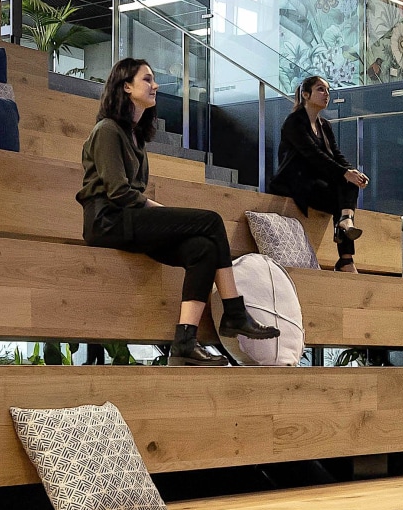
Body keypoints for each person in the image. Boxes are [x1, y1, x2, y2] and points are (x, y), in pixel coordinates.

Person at [79, 58, 278, 366]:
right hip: (107, 220)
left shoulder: (135, 135)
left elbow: (134, 195)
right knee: (209, 221)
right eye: (147, 79)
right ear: (126, 86)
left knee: (202, 249)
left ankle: (185, 340)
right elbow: (119, 193)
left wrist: (166, 217)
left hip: (127, 218)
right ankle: (235, 312)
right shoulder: (107, 130)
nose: (155, 85)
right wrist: (166, 215)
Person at [272, 76, 370, 271]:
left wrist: (353, 173)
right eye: (321, 90)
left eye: (328, 90)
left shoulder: (325, 125)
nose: (327, 94)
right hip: (297, 182)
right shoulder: (294, 122)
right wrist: (344, 173)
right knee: (343, 185)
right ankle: (345, 250)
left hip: (318, 181)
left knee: (348, 184)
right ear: (306, 95)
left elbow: (336, 154)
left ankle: (346, 248)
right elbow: (313, 155)